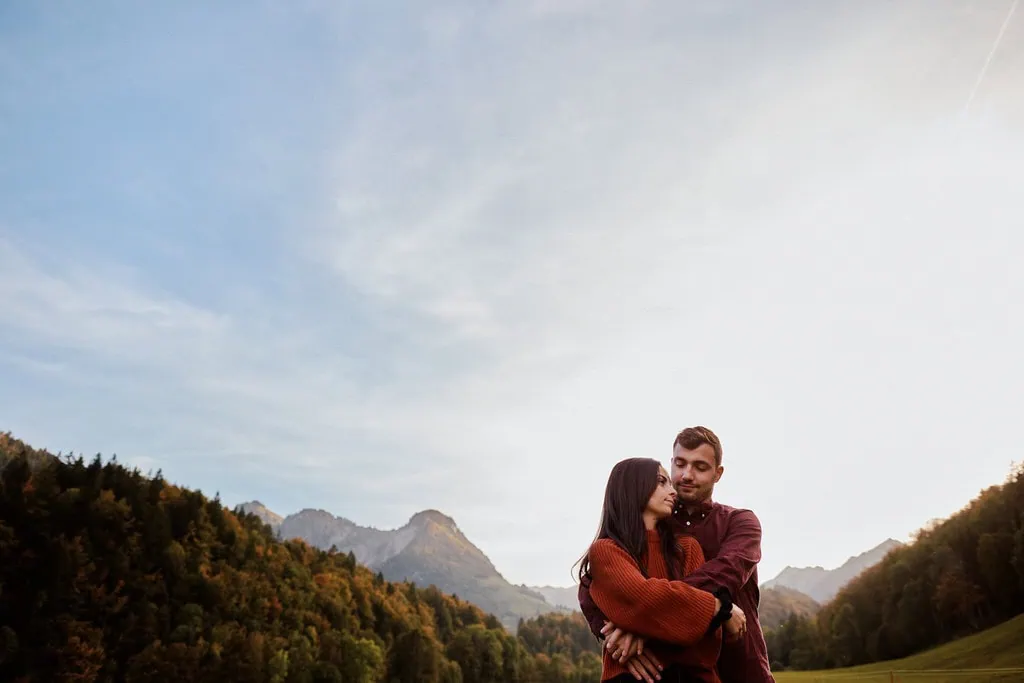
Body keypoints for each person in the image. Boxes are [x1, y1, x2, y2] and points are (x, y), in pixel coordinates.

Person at [579, 427, 775, 683]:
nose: (686, 475)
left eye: (700, 467)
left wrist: (641, 622)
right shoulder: (653, 525)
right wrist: (616, 629)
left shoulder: (740, 522)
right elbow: (593, 585)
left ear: (718, 473)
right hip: (665, 668)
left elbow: (726, 574)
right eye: (680, 464)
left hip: (738, 662)